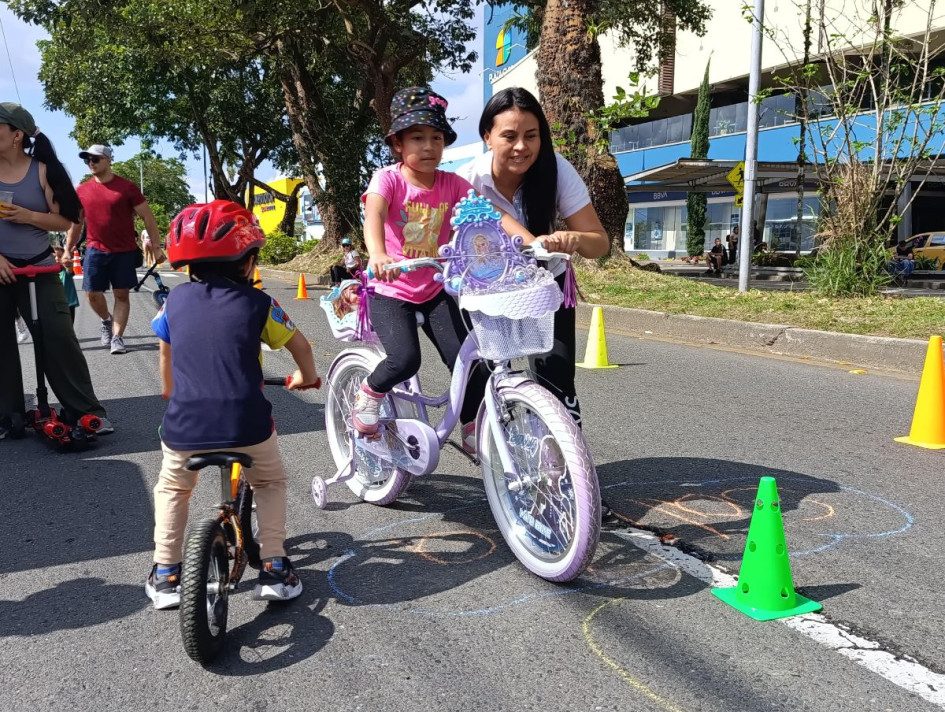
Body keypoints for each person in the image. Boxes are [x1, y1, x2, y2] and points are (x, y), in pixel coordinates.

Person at [146, 200, 320, 609]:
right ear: (248, 263)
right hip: (247, 423)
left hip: (185, 425)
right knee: (270, 483)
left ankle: (167, 572)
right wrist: (306, 377)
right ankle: (274, 565)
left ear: (187, 266)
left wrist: (171, 391)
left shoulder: (172, 303)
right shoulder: (260, 304)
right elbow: (301, 347)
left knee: (172, 487)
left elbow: (165, 357)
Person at [353, 86, 529, 452]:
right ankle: (369, 394)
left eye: (436, 138)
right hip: (392, 289)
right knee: (404, 359)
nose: (429, 146)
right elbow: (375, 214)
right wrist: (378, 254)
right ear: (398, 144)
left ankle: (471, 427)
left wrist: (530, 242)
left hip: (436, 286)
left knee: (468, 358)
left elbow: (491, 215)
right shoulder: (388, 179)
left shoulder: (453, 184)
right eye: (418, 138)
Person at [458, 87, 609, 428]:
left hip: (546, 284)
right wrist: (531, 240)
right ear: (487, 137)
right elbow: (487, 218)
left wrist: (574, 238)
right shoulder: (467, 181)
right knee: (482, 368)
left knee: (556, 374)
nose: (521, 147)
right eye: (509, 136)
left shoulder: (556, 170)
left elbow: (600, 244)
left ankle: (566, 463)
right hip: (486, 287)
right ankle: (486, 441)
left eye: (531, 135)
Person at [0, 102, 112, 438]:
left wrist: (28, 216)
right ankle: (8, 416)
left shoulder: (43, 170)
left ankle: (86, 411)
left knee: (58, 337)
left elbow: (68, 218)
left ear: (16, 134)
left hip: (39, 266)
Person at [64, 145, 167, 355]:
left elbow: (148, 217)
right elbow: (76, 223)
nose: (91, 163)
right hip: (94, 250)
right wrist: (67, 249)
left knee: (122, 295)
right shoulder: (82, 190)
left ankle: (118, 338)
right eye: (87, 160)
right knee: (92, 294)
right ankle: (106, 321)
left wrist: (156, 248)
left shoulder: (127, 188)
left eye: (95, 159)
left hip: (124, 251)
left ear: (108, 160)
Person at [52, 241, 80, 323]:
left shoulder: (65, 270)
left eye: (60, 256)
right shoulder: (48, 272)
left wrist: (69, 263)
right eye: (54, 257)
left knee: (69, 325)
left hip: (68, 304)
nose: (57, 259)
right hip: (54, 304)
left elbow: (69, 270)